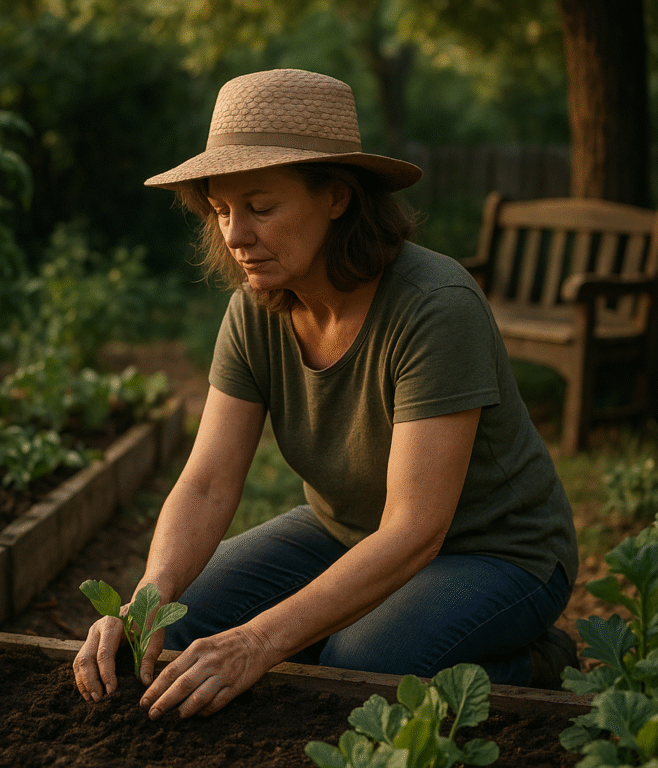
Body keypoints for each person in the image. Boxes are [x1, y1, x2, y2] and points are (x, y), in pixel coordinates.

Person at [73, 68, 579, 719]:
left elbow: (417, 529)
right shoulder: (256, 309)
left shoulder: (434, 306)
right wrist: (141, 605)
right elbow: (206, 483)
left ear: (336, 197)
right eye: (222, 210)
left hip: (496, 550)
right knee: (184, 625)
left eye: (261, 207)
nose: (234, 234)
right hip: (346, 529)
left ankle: (535, 661)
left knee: (352, 668)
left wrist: (263, 639)